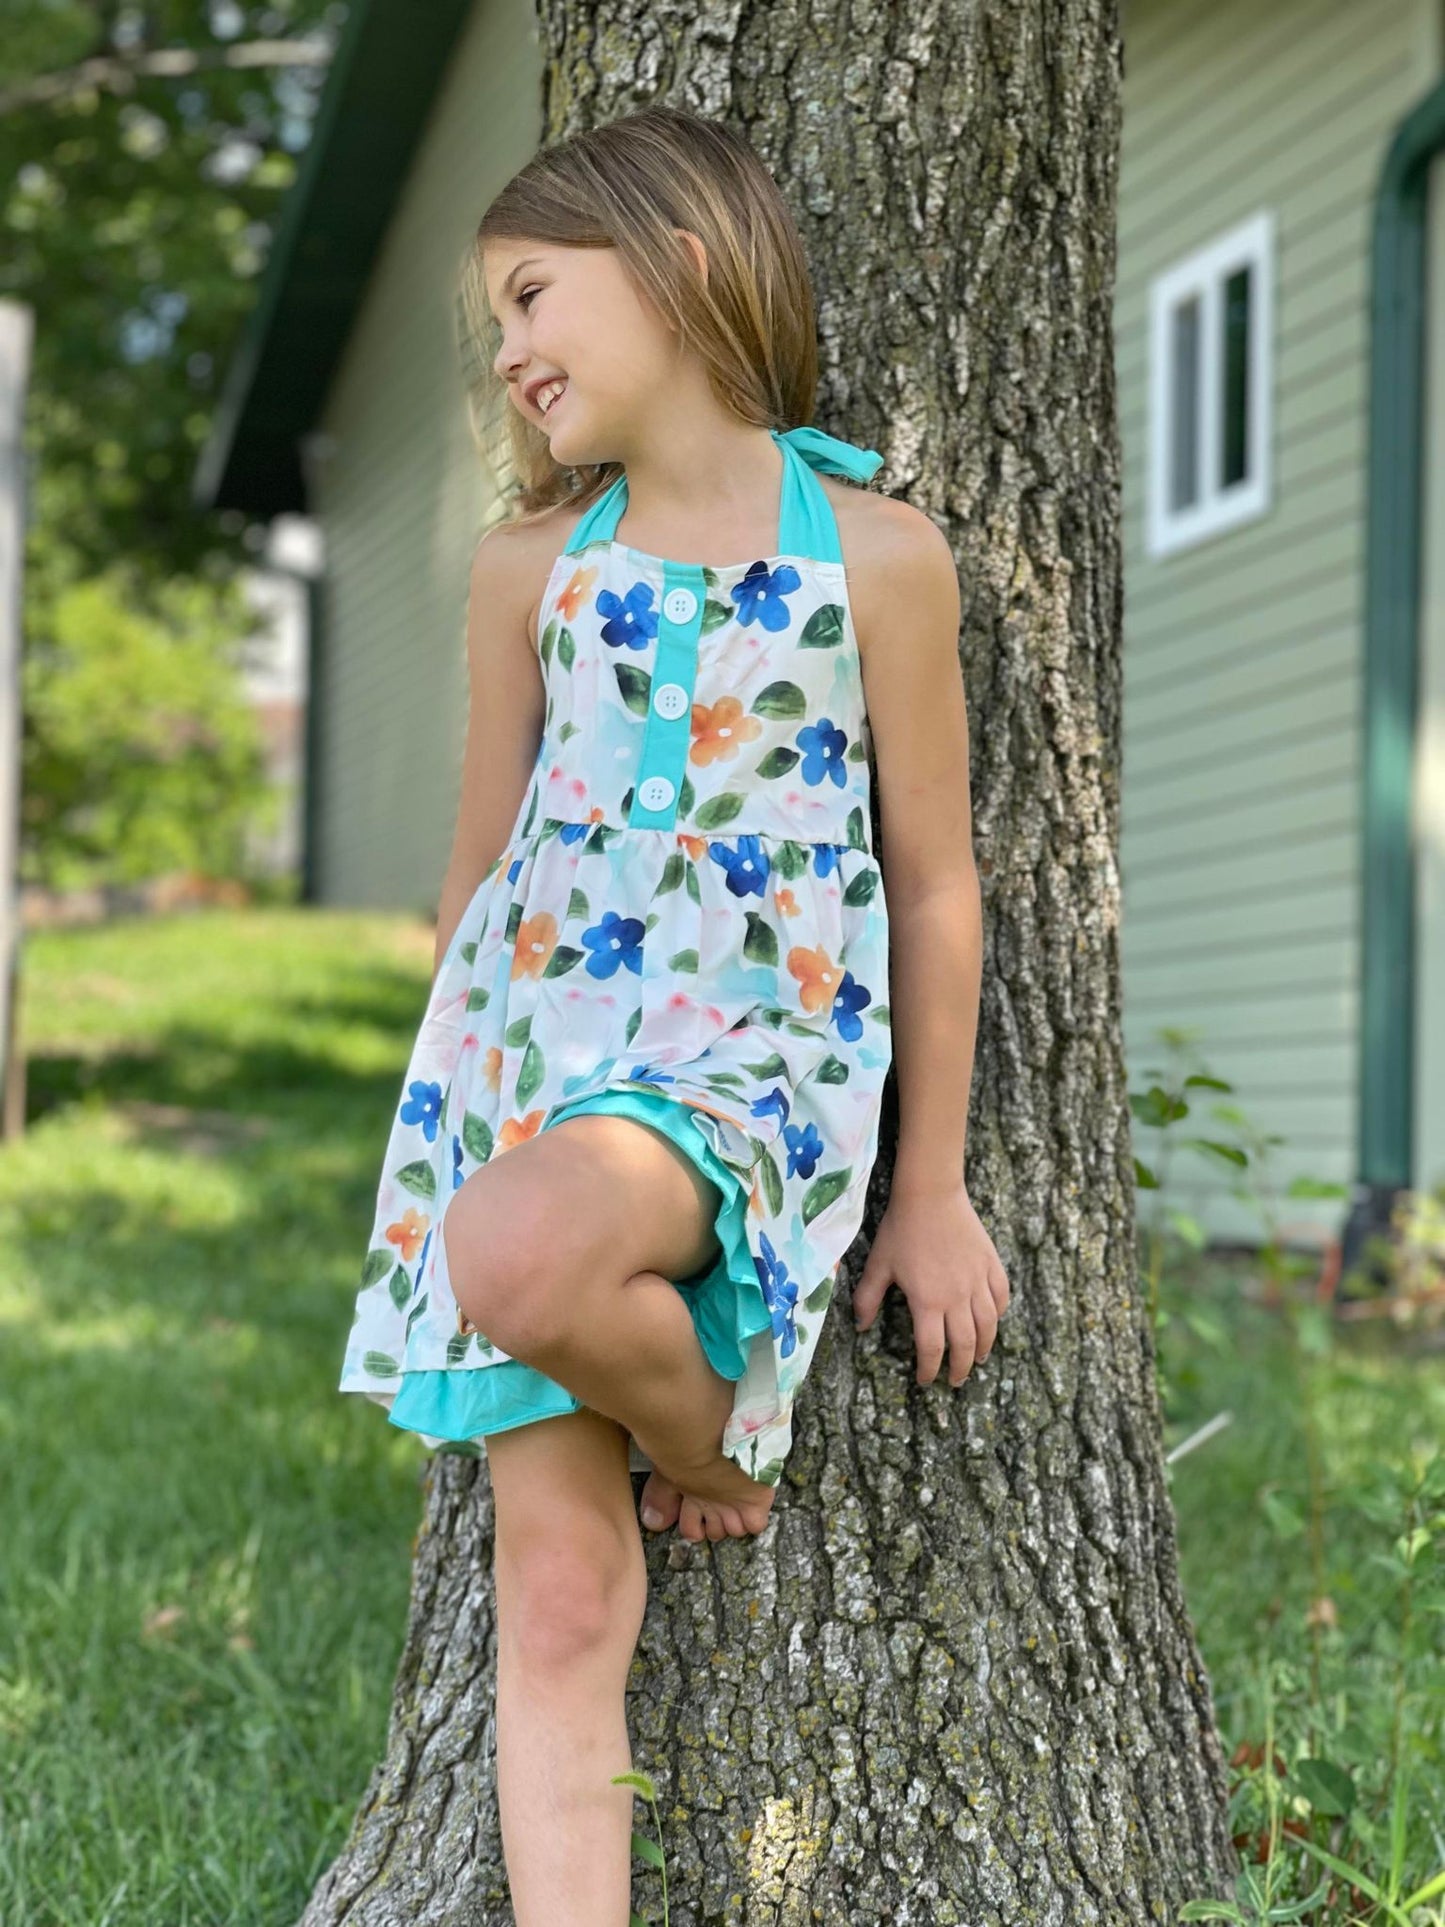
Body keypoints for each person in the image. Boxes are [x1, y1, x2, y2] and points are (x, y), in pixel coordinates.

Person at [337, 103, 1009, 1923]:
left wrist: (929, 1189)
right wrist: (442, 1116)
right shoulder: (523, 573)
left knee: (523, 1244)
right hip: (529, 1074)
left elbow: (934, 882)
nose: (511, 350)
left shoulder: (876, 557)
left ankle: (718, 1435)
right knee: (557, 1605)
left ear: (684, 267)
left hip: (744, 1075)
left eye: (536, 295)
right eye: (497, 319)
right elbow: (481, 887)